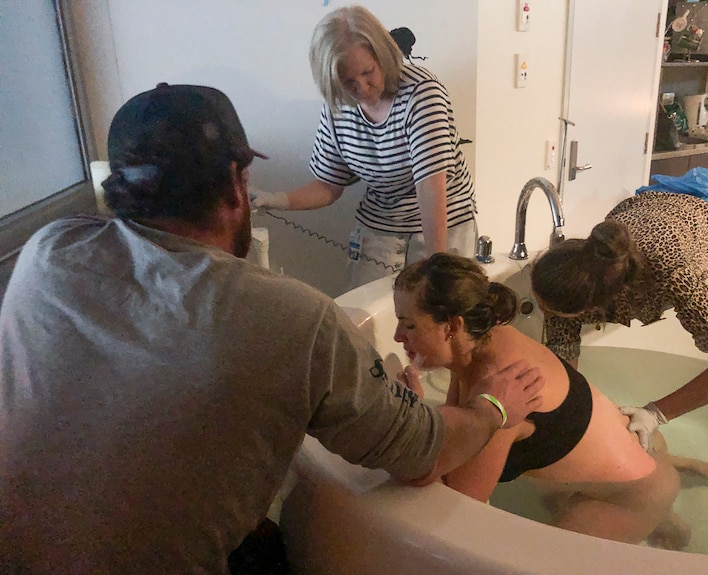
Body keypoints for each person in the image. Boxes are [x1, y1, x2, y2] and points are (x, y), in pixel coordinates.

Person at [0, 83, 544, 574]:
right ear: (238, 186)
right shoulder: (295, 319)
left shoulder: (49, 251)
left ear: (115, 183)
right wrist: (492, 409)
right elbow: (423, 457)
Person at [392, 253, 684, 548]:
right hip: (637, 453)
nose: (397, 336)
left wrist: (412, 414)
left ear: (452, 327)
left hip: (630, 498)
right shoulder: (484, 340)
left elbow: (460, 508)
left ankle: (655, 515)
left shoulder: (504, 393)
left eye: (409, 325)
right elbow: (459, 435)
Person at [251, 5, 477, 288]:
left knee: (436, 315)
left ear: (383, 56)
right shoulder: (337, 107)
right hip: (379, 226)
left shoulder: (422, 94)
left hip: (440, 227)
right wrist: (276, 199)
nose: (362, 87)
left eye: (368, 72)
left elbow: (431, 188)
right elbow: (329, 186)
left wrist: (437, 265)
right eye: (348, 81)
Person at [530, 191, 708, 450]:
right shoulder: (581, 264)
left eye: (547, 308)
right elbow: (563, 351)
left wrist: (656, 413)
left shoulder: (674, 276)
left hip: (696, 221)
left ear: (595, 306)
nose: (542, 311)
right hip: (642, 207)